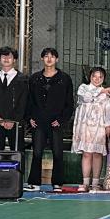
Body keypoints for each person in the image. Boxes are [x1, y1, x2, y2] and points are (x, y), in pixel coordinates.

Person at [25, 48, 74, 192]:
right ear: (42, 59)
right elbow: (29, 100)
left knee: (57, 153)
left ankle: (57, 183)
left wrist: (61, 119)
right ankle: (34, 183)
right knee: (37, 152)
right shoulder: (34, 78)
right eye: (46, 56)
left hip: (56, 122)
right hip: (38, 121)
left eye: (52, 56)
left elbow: (69, 103)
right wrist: (29, 118)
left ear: (57, 59)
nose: (49, 59)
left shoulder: (64, 79)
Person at [71, 67, 110, 192]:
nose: (97, 79)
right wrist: (101, 91)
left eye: (100, 77)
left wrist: (108, 125)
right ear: (90, 77)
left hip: (99, 125)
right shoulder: (83, 88)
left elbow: (108, 109)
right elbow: (86, 98)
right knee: (86, 153)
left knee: (97, 154)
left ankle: (95, 183)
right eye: (94, 76)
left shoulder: (106, 93)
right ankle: (85, 183)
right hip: (85, 125)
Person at [0, 46, 29, 152]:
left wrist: (14, 120)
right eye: (3, 56)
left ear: (14, 60)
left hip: (16, 123)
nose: (6, 59)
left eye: (9, 56)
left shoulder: (22, 80)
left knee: (18, 152)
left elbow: (24, 102)